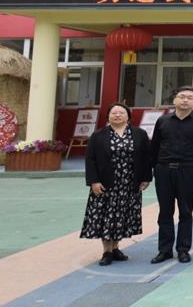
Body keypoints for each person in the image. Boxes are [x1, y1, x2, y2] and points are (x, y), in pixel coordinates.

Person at [81, 102, 152, 266]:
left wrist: (146, 178)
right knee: (106, 217)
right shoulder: (98, 135)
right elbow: (90, 160)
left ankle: (116, 248)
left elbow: (146, 158)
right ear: (108, 116)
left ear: (128, 116)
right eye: (114, 113)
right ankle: (107, 251)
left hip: (129, 183)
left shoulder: (139, 134)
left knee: (122, 216)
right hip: (106, 184)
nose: (118, 115)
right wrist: (94, 181)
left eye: (121, 113)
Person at [149, 85, 193, 264]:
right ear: (175, 99)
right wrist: (153, 169)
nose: (185, 100)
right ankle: (164, 250)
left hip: (188, 171)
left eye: (190, 97)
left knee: (186, 211)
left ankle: (183, 249)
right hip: (164, 170)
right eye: (182, 96)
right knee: (165, 212)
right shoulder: (163, 121)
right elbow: (154, 147)